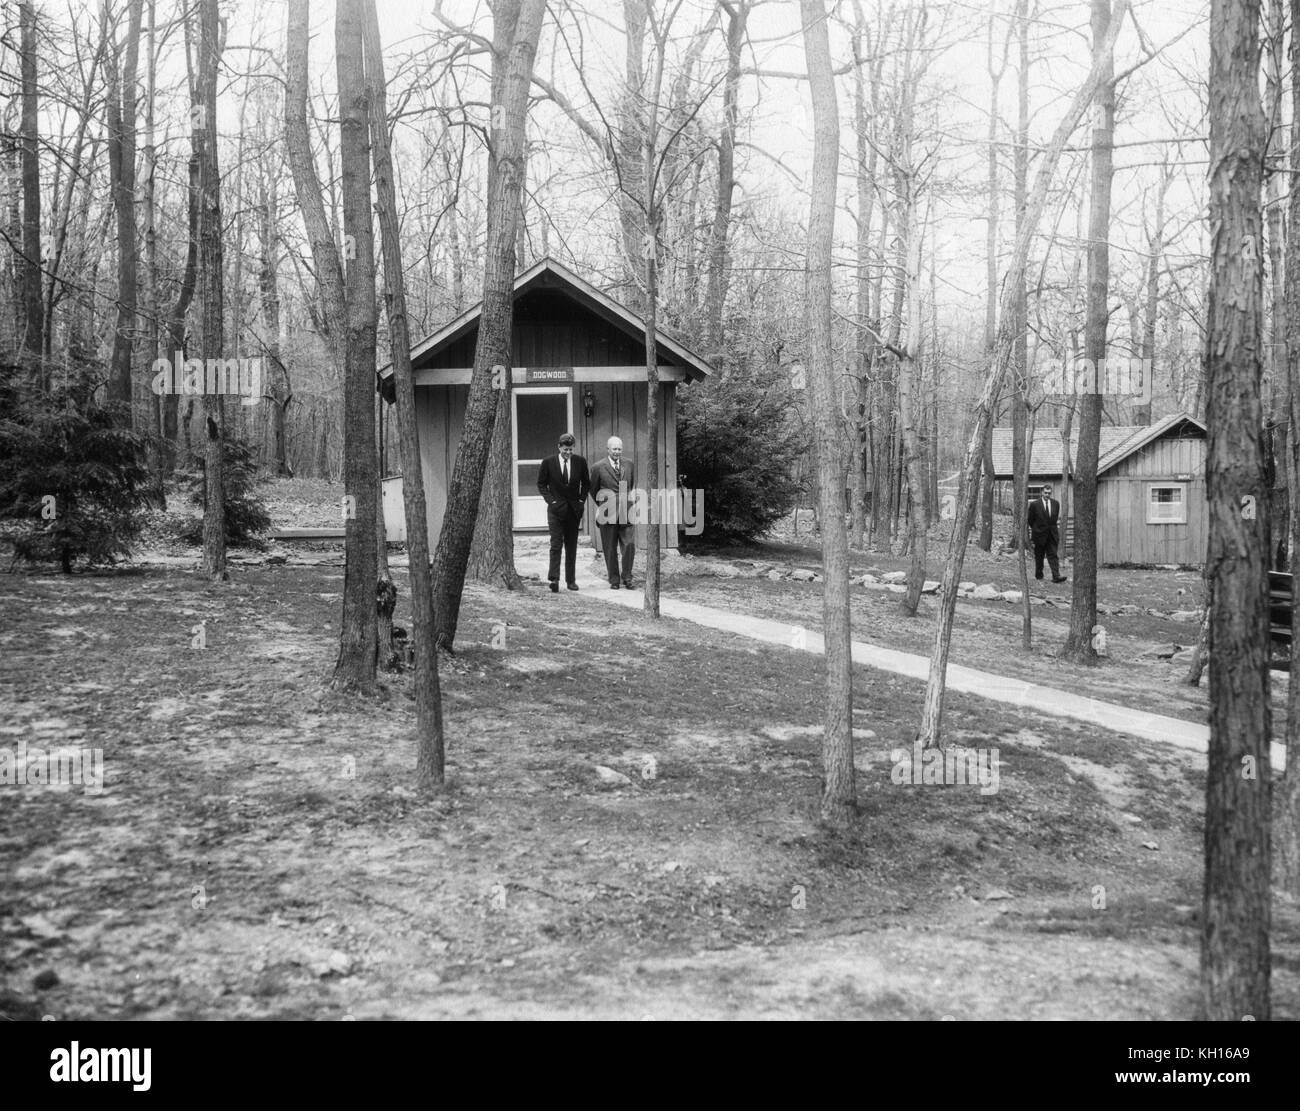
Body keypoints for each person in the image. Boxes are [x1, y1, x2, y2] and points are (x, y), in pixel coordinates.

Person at [536, 432, 590, 592]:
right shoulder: (548, 462)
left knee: (571, 546)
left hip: (573, 511)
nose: (568, 453)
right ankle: (554, 579)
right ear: (559, 447)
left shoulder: (580, 462)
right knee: (556, 544)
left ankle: (571, 580)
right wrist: (551, 501)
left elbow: (586, 484)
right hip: (555, 511)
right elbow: (541, 484)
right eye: (566, 449)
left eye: (571, 450)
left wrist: (581, 501)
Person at [588, 435, 636, 589]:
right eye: (614, 449)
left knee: (629, 544)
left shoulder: (629, 464)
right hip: (607, 512)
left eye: (619, 449)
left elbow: (631, 485)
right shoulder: (597, 467)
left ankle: (627, 577)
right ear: (608, 449)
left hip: (626, 511)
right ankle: (614, 580)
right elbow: (593, 490)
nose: (617, 452)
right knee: (609, 547)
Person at [1027, 483, 1068, 583]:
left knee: (1053, 555)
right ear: (1042, 492)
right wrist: (1037, 529)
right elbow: (1030, 520)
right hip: (1039, 535)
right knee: (1039, 556)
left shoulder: (1055, 504)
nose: (1047, 495)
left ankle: (1056, 576)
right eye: (1045, 493)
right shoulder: (1034, 505)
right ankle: (1039, 575)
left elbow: (1053, 520)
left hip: (1051, 535)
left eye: (1049, 493)